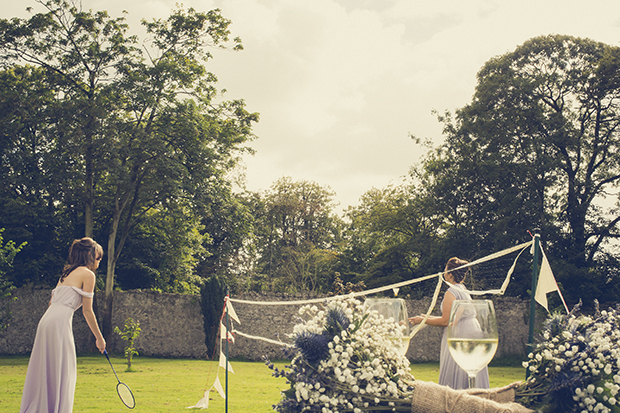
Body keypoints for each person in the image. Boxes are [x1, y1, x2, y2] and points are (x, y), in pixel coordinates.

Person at [20, 237, 107, 413]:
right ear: (89, 255)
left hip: (47, 320)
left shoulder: (66, 274)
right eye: (98, 258)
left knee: (48, 366)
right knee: (64, 369)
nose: (99, 262)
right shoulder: (88, 275)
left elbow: (52, 303)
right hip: (59, 322)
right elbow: (87, 311)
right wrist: (99, 338)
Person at [409, 257, 490, 389]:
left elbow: (446, 321)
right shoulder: (463, 290)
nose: (444, 274)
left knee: (457, 367)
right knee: (471, 368)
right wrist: (425, 318)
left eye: (445, 271)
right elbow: (453, 318)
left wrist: (422, 320)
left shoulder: (451, 292)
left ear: (450, 274)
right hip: (472, 331)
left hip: (459, 334)